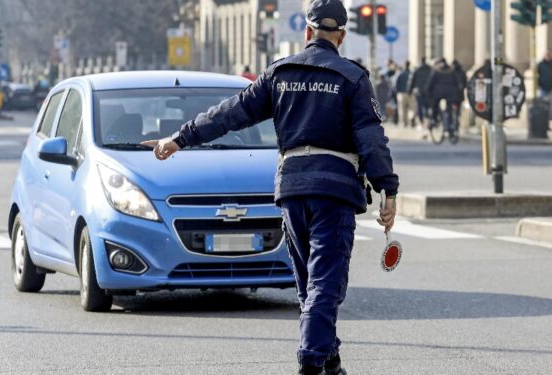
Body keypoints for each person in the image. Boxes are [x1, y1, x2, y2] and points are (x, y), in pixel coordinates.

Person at [141, 1, 399, 373]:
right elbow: (371, 139)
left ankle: (330, 359)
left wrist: (179, 139)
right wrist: (387, 189)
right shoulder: (352, 77)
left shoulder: (280, 73)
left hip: (292, 188)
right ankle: (311, 361)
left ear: (307, 33)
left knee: (309, 284)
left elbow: (230, 113)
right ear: (341, 36)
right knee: (326, 282)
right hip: (335, 190)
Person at [425, 58, 462, 128]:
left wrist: (428, 92)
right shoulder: (452, 70)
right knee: (449, 109)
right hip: (451, 93)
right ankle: (451, 125)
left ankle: (434, 120)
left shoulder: (436, 70)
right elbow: (457, 83)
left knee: (435, 105)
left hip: (438, 93)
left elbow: (430, 82)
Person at [410, 57, 431, 128]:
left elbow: (412, 81)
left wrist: (410, 90)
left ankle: (421, 122)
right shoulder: (430, 69)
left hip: (419, 91)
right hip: (428, 91)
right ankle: (428, 120)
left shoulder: (417, 69)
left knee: (420, 106)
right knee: (427, 106)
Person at [538, 51, 552, 120]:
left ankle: (547, 121)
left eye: (549, 55)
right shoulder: (540, 64)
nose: (548, 56)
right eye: (547, 55)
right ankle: (542, 120)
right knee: (542, 106)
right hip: (543, 88)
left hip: (551, 88)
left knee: (550, 107)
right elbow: (537, 76)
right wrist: (540, 84)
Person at [394, 61, 412, 127]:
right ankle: (411, 120)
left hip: (401, 93)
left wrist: (397, 91)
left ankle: (403, 123)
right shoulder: (411, 73)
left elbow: (396, 84)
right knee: (411, 108)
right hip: (410, 93)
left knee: (401, 108)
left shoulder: (400, 74)